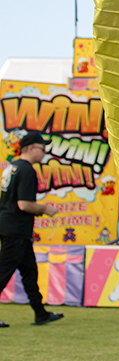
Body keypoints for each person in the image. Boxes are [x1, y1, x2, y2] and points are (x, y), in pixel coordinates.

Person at [0, 132, 63, 327]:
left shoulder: (12, 167)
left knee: (29, 272)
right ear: (30, 148)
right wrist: (45, 209)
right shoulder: (26, 170)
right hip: (15, 229)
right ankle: (40, 313)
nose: (44, 153)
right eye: (42, 148)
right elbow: (24, 204)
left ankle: (40, 313)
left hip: (11, 226)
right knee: (3, 273)